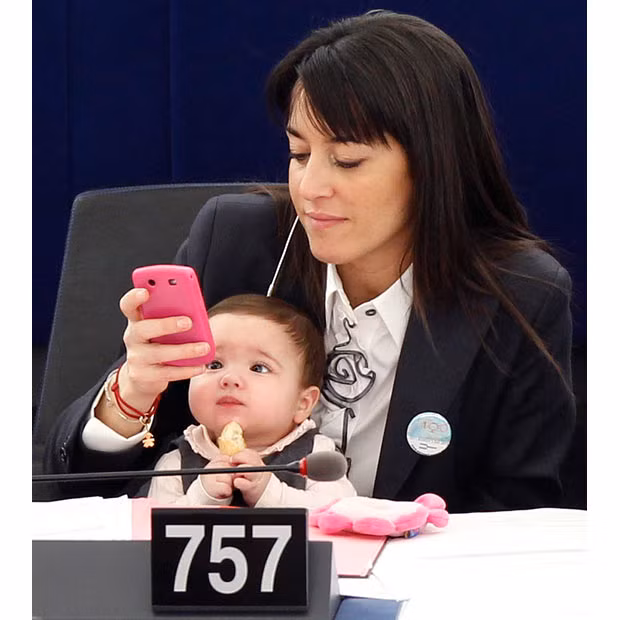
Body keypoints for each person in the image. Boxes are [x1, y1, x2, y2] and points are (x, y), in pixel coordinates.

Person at [44, 10, 576, 512]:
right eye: (300, 154)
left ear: (435, 166)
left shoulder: (521, 293)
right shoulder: (238, 241)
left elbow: (521, 515)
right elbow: (81, 487)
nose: (310, 187)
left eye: (347, 160)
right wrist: (132, 393)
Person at [145, 294, 356, 507]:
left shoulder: (316, 455)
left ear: (303, 403)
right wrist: (201, 497)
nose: (230, 379)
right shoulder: (178, 462)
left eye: (259, 368)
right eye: (215, 365)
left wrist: (271, 493)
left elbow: (340, 515)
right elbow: (150, 531)